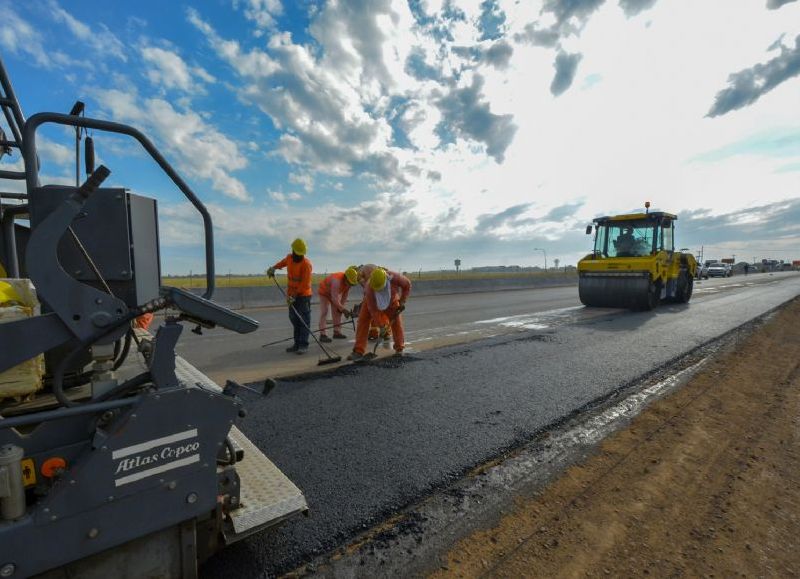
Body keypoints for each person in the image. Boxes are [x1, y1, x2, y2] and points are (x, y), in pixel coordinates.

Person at [348, 267, 411, 361]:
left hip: (392, 300)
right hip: (371, 301)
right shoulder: (369, 289)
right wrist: (381, 326)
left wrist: (402, 301)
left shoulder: (395, 277)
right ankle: (358, 351)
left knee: (396, 322)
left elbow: (407, 286)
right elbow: (374, 311)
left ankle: (399, 349)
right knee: (363, 320)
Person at [267, 238, 313, 354]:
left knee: (303, 320)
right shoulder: (289, 258)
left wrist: (295, 296)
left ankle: (303, 345)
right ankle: (296, 344)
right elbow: (282, 263)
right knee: (294, 319)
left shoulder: (306, 265)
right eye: (298, 254)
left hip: (303, 296)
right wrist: (273, 268)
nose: (299, 256)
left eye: (301, 254)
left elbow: (305, 284)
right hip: (291, 295)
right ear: (293, 251)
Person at [317, 267, 359, 342]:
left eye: (352, 284)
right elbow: (334, 299)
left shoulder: (349, 282)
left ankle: (337, 332)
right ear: (345, 278)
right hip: (324, 292)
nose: (350, 285)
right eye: (349, 283)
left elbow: (345, 295)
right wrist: (343, 309)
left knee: (337, 312)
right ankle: (323, 334)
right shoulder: (336, 281)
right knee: (324, 312)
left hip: (334, 294)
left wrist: (341, 308)